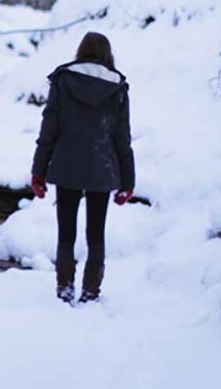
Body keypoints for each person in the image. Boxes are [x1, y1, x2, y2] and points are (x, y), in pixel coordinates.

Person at [30, 32, 135, 304]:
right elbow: (122, 138)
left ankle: (64, 289)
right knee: (96, 233)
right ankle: (91, 292)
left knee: (66, 233)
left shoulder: (63, 81)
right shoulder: (118, 88)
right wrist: (127, 181)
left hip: (66, 166)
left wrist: (38, 171)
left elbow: (49, 129)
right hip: (102, 166)